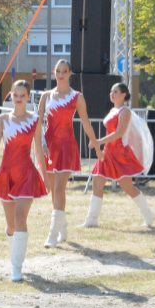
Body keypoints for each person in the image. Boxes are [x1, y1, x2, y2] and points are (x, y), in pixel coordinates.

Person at [0, 80, 50, 281]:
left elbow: (38, 150)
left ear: (29, 97)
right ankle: (16, 256)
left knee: (21, 217)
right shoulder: (3, 119)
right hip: (6, 173)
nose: (19, 98)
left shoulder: (35, 119)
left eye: (23, 95)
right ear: (11, 95)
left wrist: (45, 177)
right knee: (11, 224)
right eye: (16, 94)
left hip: (27, 174)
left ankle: (16, 267)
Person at [38, 60, 103, 248]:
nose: (61, 74)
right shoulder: (46, 96)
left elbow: (86, 123)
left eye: (64, 71)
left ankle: (52, 234)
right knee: (52, 190)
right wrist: (41, 143)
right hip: (49, 145)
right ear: (54, 72)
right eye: (58, 71)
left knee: (59, 188)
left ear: (70, 73)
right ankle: (62, 227)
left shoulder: (77, 96)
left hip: (67, 144)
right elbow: (38, 122)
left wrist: (97, 147)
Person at [80, 83, 155, 228]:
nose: (112, 93)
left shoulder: (125, 111)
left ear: (123, 95)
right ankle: (92, 219)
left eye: (115, 91)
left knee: (127, 187)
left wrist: (99, 141)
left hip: (120, 153)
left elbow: (119, 133)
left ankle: (148, 214)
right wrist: (101, 146)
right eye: (111, 91)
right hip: (108, 152)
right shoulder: (113, 110)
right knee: (97, 182)